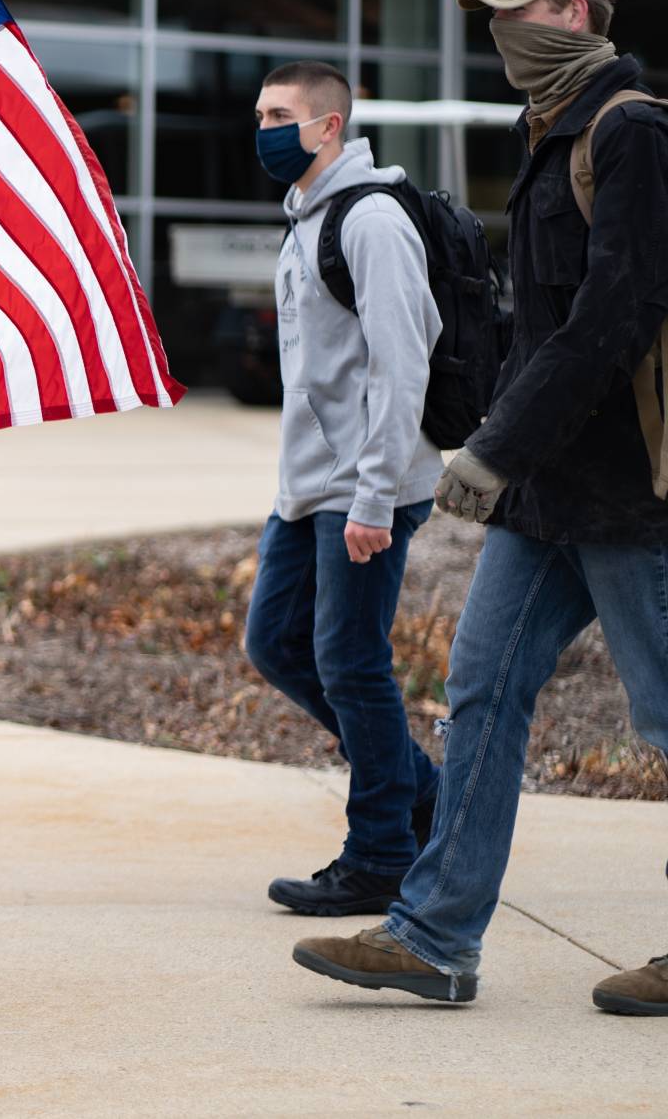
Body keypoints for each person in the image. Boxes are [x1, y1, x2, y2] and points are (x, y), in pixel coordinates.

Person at [293, 0, 668, 1012]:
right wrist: (488, 425)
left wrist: (499, 445)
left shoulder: (628, 133)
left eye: (519, 11)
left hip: (626, 491)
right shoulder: (547, 131)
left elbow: (617, 312)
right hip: (548, 491)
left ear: (575, 14)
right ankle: (433, 937)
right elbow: (540, 319)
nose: (500, 32)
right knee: (479, 693)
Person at [243, 60, 443, 916]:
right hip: (309, 489)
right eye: (259, 114)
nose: (264, 130)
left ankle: (381, 856)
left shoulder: (371, 221)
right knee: (275, 643)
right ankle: (420, 792)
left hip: (367, 487)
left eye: (280, 114)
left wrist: (374, 495)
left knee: (352, 663)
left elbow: (404, 365)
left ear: (328, 127)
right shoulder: (304, 221)